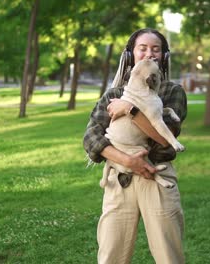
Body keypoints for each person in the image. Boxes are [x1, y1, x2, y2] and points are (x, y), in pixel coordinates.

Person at [83, 28, 187, 264]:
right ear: (131, 55)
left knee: (169, 257)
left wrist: (130, 110)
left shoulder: (172, 92)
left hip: (157, 180)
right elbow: (90, 137)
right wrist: (127, 160)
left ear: (164, 57)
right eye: (143, 48)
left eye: (156, 49)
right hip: (118, 179)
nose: (149, 54)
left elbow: (165, 140)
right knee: (111, 257)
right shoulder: (114, 93)